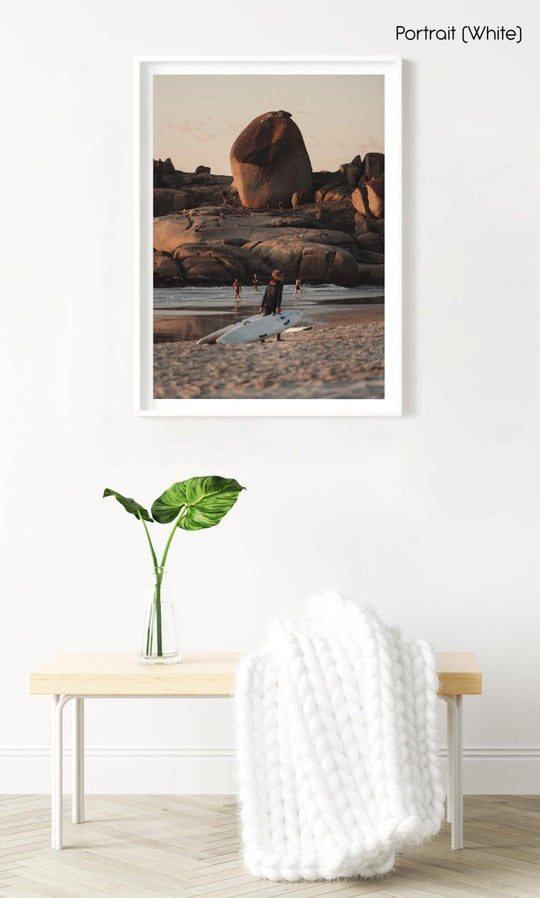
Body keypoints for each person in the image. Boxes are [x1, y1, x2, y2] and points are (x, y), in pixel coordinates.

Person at [260, 269, 284, 341]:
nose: (283, 277)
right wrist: (278, 306)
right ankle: (278, 338)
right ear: (277, 276)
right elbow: (279, 296)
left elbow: (265, 295)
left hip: (266, 305)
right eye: (281, 276)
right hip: (274, 305)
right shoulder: (280, 284)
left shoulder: (270, 283)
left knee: (266, 322)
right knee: (278, 321)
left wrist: (262, 306)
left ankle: (262, 338)